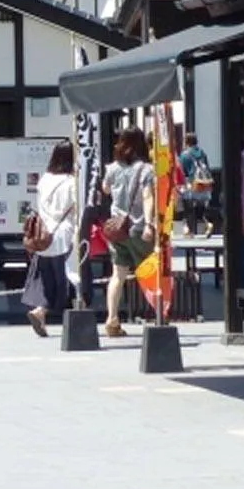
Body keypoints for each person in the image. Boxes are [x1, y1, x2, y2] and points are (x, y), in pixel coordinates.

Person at [100, 127, 156, 337]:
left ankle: (112, 318)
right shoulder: (146, 169)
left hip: (116, 229)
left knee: (118, 275)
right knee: (151, 271)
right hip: (138, 228)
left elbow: (105, 189)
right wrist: (149, 224)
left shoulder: (112, 168)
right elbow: (148, 196)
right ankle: (160, 315)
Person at [27, 142, 77, 337]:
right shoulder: (71, 182)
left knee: (47, 280)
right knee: (65, 279)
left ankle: (40, 311)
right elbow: (76, 207)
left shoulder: (44, 179)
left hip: (43, 236)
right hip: (63, 235)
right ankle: (52, 314)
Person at [177, 132, 213, 237]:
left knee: (187, 206)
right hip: (204, 184)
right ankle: (208, 224)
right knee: (200, 209)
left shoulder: (185, 155)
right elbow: (207, 168)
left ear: (186, 142)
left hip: (192, 184)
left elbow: (182, 172)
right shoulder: (202, 153)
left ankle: (188, 229)